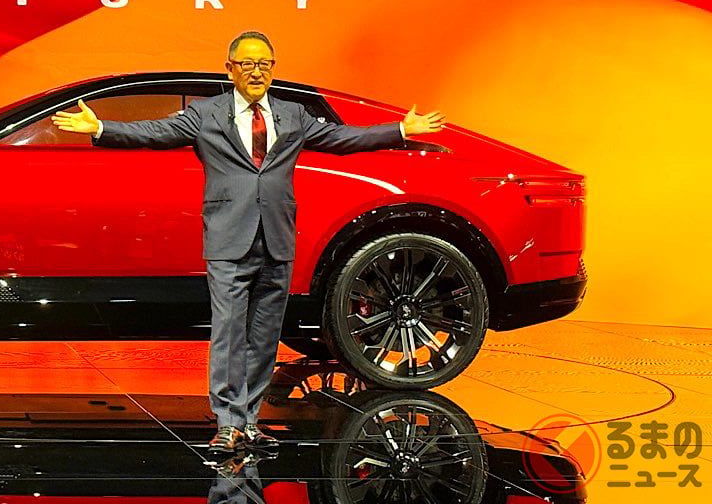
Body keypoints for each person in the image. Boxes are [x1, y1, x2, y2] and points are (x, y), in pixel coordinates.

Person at [51, 30, 445, 454]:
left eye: (264, 64)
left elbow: (342, 140)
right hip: (228, 239)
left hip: (276, 238)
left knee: (264, 336)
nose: (256, 72)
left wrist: (400, 129)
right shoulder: (206, 114)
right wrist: (101, 127)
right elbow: (154, 131)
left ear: (272, 69)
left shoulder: (292, 114)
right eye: (247, 64)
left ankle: (250, 421)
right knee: (228, 332)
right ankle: (227, 422)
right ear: (231, 69)